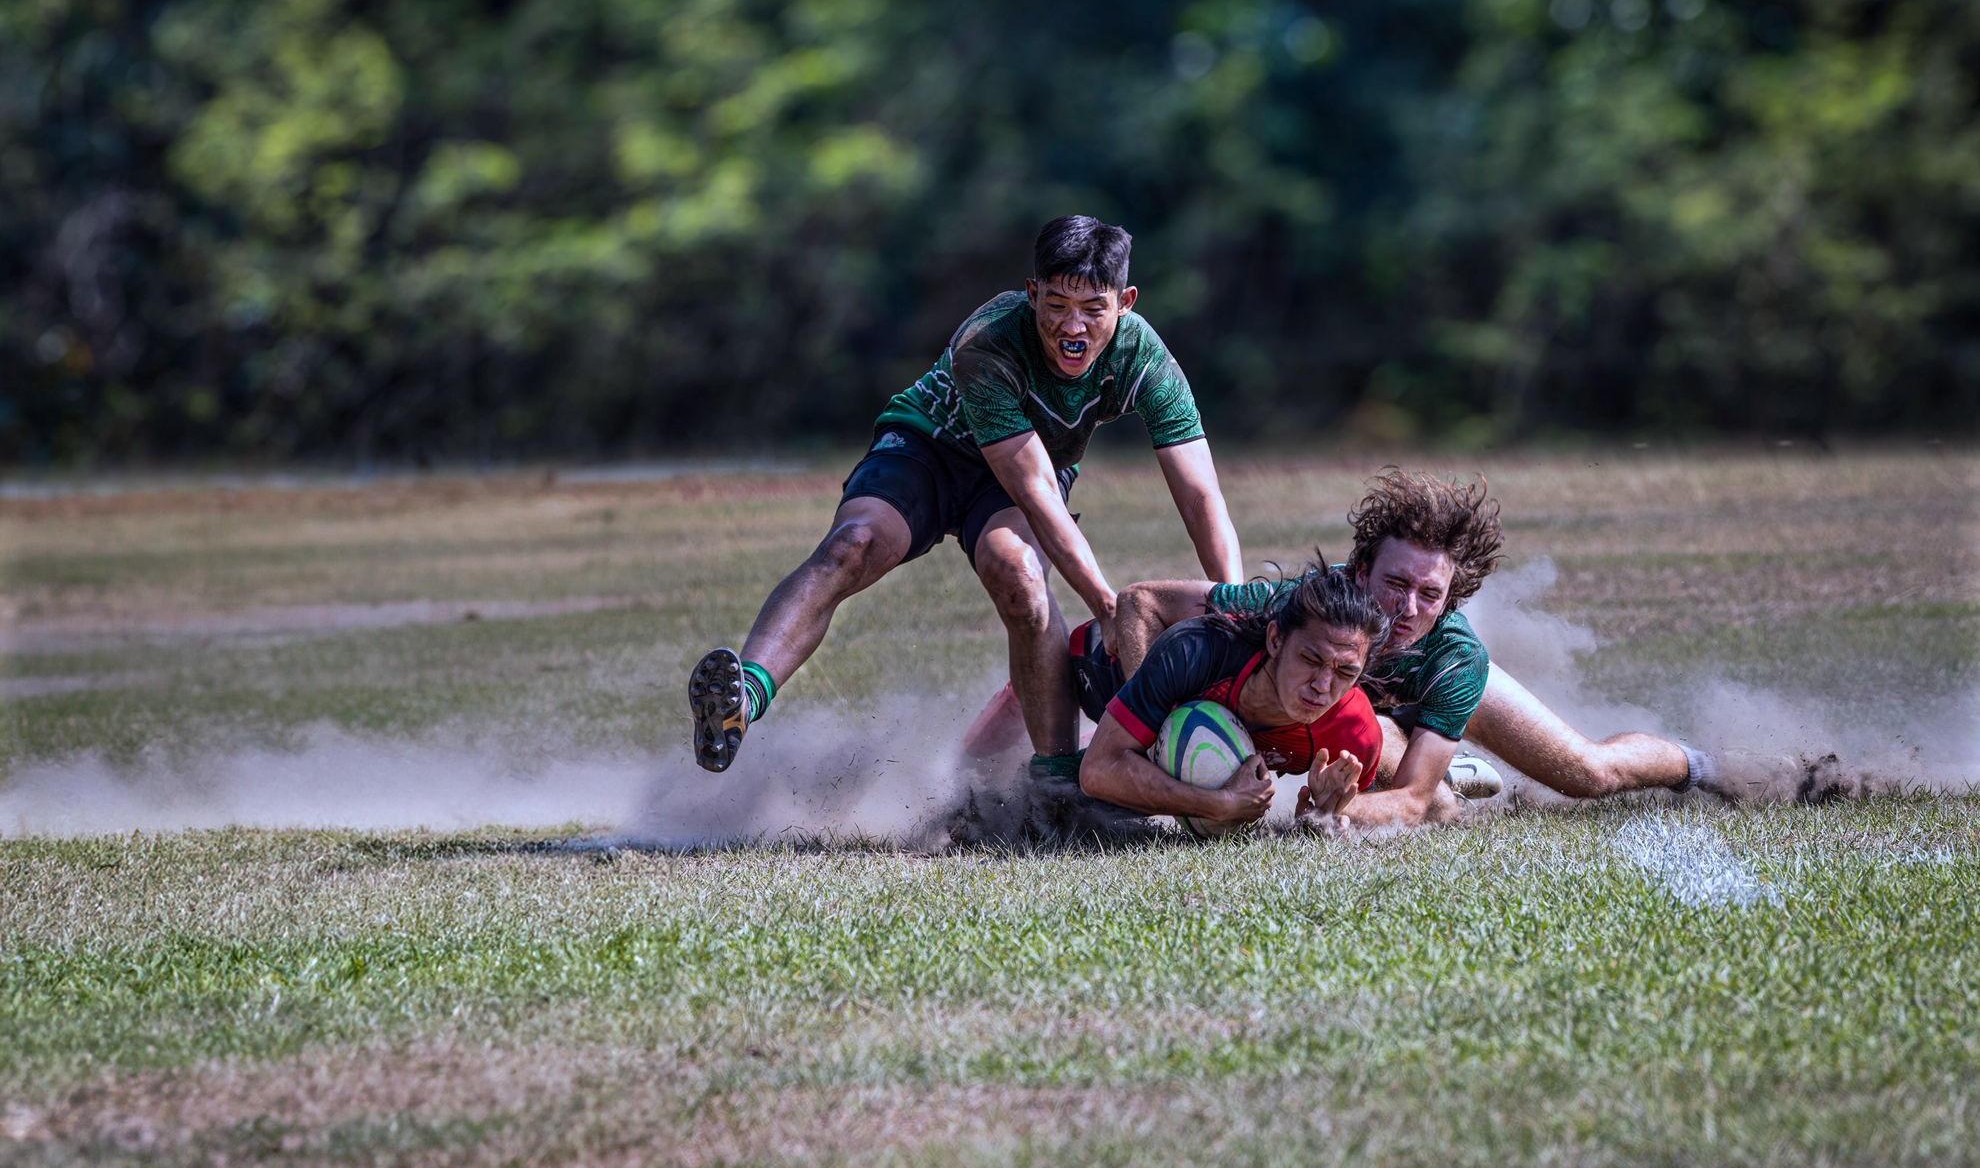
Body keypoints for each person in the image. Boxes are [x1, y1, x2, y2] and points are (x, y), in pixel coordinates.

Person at [687, 215, 1245, 780]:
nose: (1072, 327)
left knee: (1022, 579)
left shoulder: (1145, 358)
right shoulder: (991, 340)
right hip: (928, 449)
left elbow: (1200, 494)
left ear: (1124, 302)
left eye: (1092, 310)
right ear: (1032, 294)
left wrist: (1237, 605)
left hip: (1021, 472)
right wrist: (1107, 607)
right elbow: (1035, 494)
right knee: (852, 545)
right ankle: (741, 700)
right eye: (1055, 305)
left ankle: (1054, 779)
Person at [977, 468, 1729, 826]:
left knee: (1588, 772)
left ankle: (1702, 763)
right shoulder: (1299, 609)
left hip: (1395, 702)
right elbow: (1140, 602)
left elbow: (1403, 801)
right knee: (1362, 729)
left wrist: (1331, 815)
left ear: (1451, 598)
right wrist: (1162, 730)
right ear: (1360, 568)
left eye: (1429, 595)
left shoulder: (1451, 659)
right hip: (1335, 692)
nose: (1407, 609)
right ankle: (1442, 765)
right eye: (1393, 585)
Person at [1076, 566, 1387, 830]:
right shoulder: (1197, 650)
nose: (1322, 685)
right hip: (1098, 665)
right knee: (1077, 805)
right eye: (1310, 659)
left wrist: (1321, 817)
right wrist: (1219, 804)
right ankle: (1060, 758)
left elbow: (1342, 820)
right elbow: (1098, 771)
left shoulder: (1356, 732)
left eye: (1345, 672)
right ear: (1276, 640)